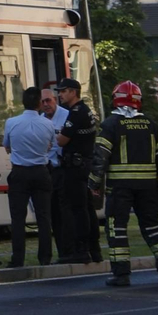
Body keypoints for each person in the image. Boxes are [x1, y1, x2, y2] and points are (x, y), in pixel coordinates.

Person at [91, 80, 158, 286]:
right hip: (148, 187)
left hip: (120, 187)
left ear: (116, 100)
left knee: (116, 228)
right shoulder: (152, 125)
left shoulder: (110, 124)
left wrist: (94, 184)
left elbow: (100, 157)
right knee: (153, 225)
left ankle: (121, 275)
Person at [2, 85, 56, 267]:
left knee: (18, 218)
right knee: (44, 217)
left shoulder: (11, 122)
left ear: (22, 102)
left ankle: (18, 258)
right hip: (41, 171)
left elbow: (7, 146)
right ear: (40, 104)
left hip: (19, 172)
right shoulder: (48, 124)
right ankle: (45, 257)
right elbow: (51, 145)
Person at [54, 78, 100, 263]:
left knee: (77, 209)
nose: (60, 94)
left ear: (73, 92)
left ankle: (80, 250)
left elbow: (62, 140)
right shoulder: (86, 111)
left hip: (75, 167)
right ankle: (94, 249)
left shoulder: (76, 112)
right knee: (87, 208)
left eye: (63, 91)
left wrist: (56, 134)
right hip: (83, 165)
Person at [40, 87, 70, 260]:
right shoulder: (39, 120)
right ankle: (62, 251)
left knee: (66, 212)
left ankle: (70, 250)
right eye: (42, 102)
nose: (46, 105)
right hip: (47, 170)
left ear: (55, 100)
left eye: (48, 101)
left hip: (63, 170)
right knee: (53, 214)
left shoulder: (66, 116)